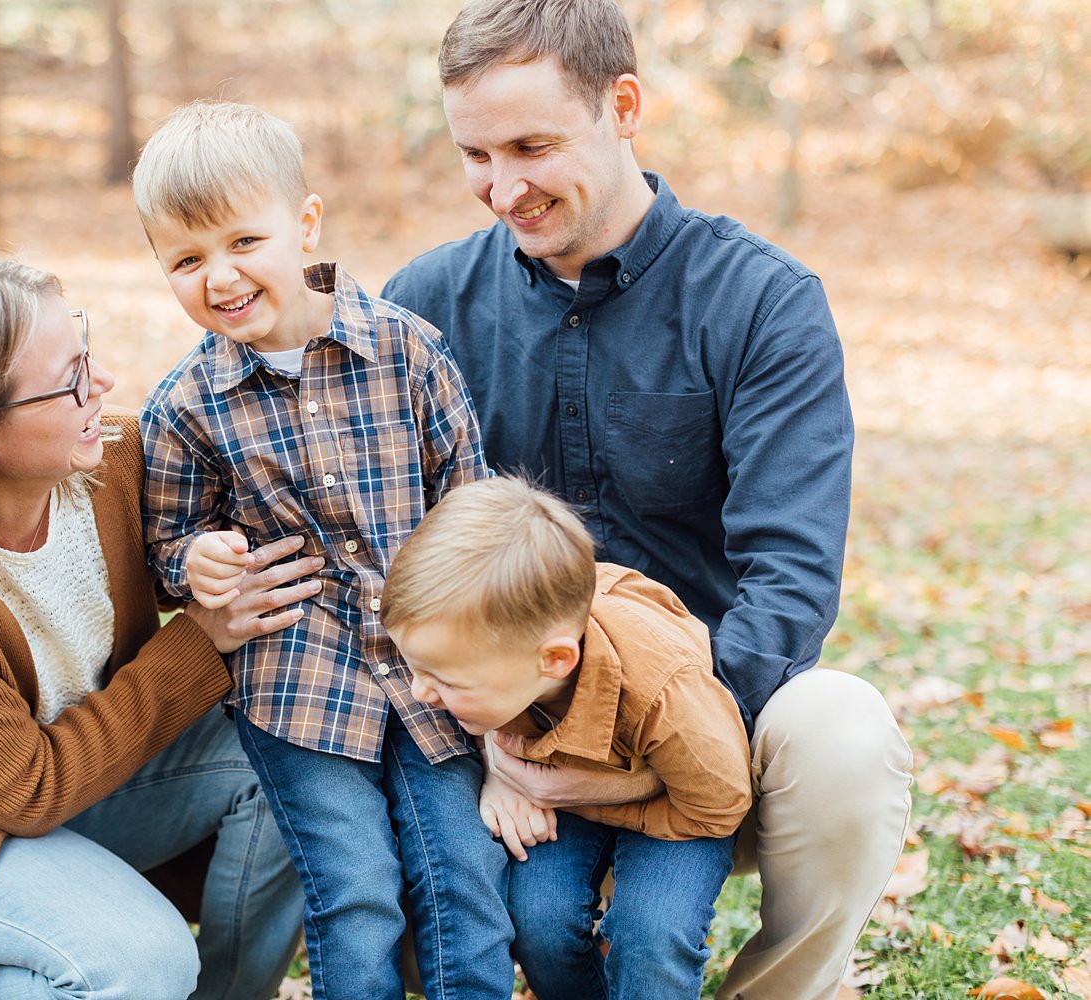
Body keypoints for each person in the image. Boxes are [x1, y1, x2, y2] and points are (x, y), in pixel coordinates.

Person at [380, 2, 914, 997]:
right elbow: (383, 550)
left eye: (533, 145)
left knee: (845, 727)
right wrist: (499, 746)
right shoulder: (425, 307)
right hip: (500, 729)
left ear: (624, 107)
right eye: (476, 154)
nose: (504, 187)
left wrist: (650, 759)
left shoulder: (762, 303)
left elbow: (789, 580)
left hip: (704, 715)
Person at [0, 255, 310, 1000]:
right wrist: (201, 640)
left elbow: (228, 527)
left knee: (285, 752)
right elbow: (24, 792)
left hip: (100, 783)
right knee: (142, 959)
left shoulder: (115, 457)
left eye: (86, 349)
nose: (102, 384)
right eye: (71, 378)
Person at [132, 102, 514, 1000]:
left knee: (463, 881)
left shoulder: (406, 351)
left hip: (432, 679)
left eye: (242, 241)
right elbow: (165, 547)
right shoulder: (186, 407)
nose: (219, 276)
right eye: (186, 260)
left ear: (304, 225)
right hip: (300, 690)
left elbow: (474, 509)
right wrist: (198, 564)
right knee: (355, 894)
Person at [383, 476, 752, 998]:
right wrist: (499, 769)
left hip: (684, 807)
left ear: (554, 660)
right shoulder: (496, 653)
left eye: (446, 680)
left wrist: (592, 801)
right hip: (570, 795)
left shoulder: (664, 692)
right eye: (415, 666)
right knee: (541, 920)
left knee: (652, 930)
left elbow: (719, 806)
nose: (421, 693)